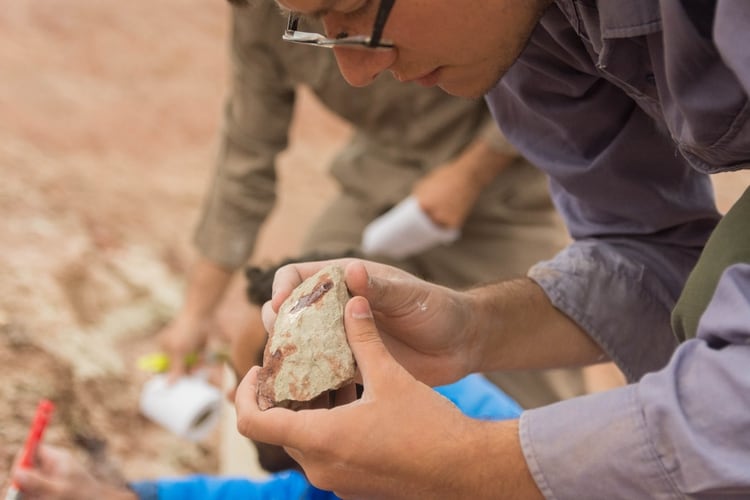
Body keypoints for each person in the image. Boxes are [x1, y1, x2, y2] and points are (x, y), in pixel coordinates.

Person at [232, 1, 750, 498]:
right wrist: (471, 329)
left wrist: (468, 467)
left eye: (357, 8)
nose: (356, 69)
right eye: (319, 21)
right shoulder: (523, 29)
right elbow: (652, 251)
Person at [158, 0, 591, 409]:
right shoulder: (260, 14)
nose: (356, 70)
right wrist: (196, 314)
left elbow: (547, 76)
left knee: (532, 374)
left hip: (504, 182)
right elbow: (245, 155)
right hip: (378, 177)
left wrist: (470, 174)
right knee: (291, 329)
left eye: (347, 13)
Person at [9, 374, 522, 499]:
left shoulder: (479, 460)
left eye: (248, 377)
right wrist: (98, 492)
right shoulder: (350, 450)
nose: (232, 393)